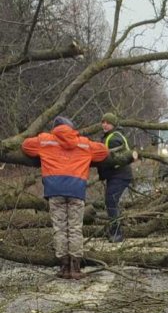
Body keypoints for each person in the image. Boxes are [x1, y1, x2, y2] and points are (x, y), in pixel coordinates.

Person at [21, 116, 109, 280]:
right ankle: (75, 267)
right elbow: (104, 152)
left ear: (55, 128)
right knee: (75, 227)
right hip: (76, 189)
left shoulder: (45, 140)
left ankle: (63, 267)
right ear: (71, 128)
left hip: (54, 189)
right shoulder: (84, 143)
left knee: (59, 227)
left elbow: (25, 146)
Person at [97, 112, 133, 242]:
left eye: (108, 123)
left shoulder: (113, 139)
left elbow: (113, 159)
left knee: (111, 201)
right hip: (117, 175)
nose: (105, 125)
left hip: (119, 174)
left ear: (113, 124)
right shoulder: (112, 136)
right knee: (111, 202)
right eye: (103, 122)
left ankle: (116, 233)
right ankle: (114, 229)